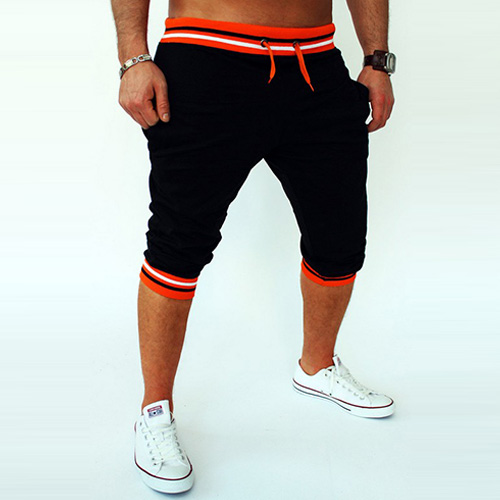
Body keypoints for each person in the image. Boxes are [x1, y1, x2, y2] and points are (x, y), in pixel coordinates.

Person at [111, 0, 396, 493]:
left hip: (315, 64)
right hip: (206, 59)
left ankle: (317, 367)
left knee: (341, 238)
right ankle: (154, 411)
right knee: (178, 244)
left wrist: (377, 59)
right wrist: (133, 59)